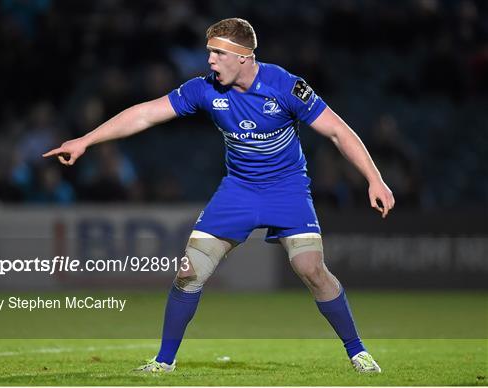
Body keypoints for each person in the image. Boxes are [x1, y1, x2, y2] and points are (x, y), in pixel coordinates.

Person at [43, 18, 394, 374]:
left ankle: (358, 351)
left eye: (217, 53)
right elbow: (146, 113)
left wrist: (374, 179)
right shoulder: (204, 89)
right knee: (188, 272)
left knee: (311, 269)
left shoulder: (286, 86)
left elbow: (337, 130)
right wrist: (85, 140)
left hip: (286, 189)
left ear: (243, 56)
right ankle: (163, 361)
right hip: (238, 190)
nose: (209, 60)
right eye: (209, 51)